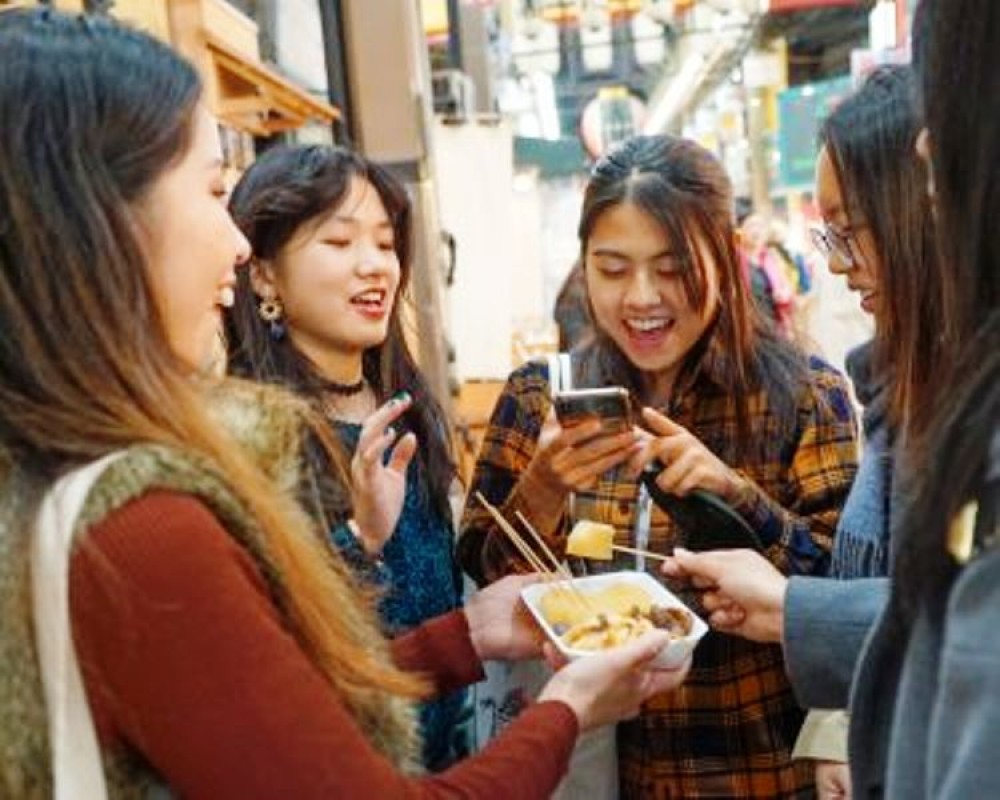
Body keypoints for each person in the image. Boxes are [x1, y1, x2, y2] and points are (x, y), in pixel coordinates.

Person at [0, 9, 692, 797]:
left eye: (385, 243)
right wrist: (568, 705)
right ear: (97, 221)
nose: (232, 241)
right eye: (210, 189)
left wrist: (461, 635)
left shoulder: (63, 474)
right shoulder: (142, 524)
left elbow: (272, 719)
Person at [663, 0, 1000, 795]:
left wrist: (792, 608)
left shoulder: (827, 391)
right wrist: (745, 508)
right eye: (612, 266)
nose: (839, 263)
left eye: (851, 231)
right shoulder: (904, 384)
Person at [459, 134, 859, 797]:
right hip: (601, 774)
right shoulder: (540, 395)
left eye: (672, 268)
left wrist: (736, 499)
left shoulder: (804, 394)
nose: (640, 297)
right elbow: (485, 575)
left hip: (765, 769)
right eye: (612, 269)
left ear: (723, 261)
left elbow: (845, 591)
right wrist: (544, 487)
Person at [223, 144, 469, 770]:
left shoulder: (405, 405)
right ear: (263, 274)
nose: (375, 267)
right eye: (338, 243)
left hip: (446, 756)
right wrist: (357, 536)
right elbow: (277, 650)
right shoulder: (252, 435)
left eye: (385, 244)